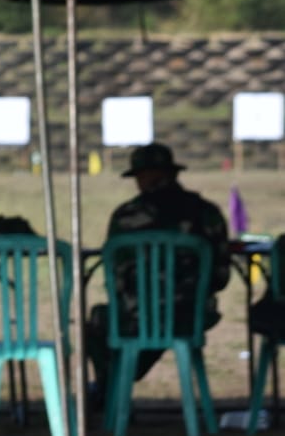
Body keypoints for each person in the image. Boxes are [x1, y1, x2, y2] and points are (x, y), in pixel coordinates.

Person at [86, 142, 230, 398]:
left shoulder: (125, 216)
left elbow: (114, 279)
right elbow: (221, 277)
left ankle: (112, 392)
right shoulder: (206, 213)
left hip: (136, 317)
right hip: (189, 316)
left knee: (100, 320)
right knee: (157, 324)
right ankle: (114, 389)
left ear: (143, 177)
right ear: (173, 174)